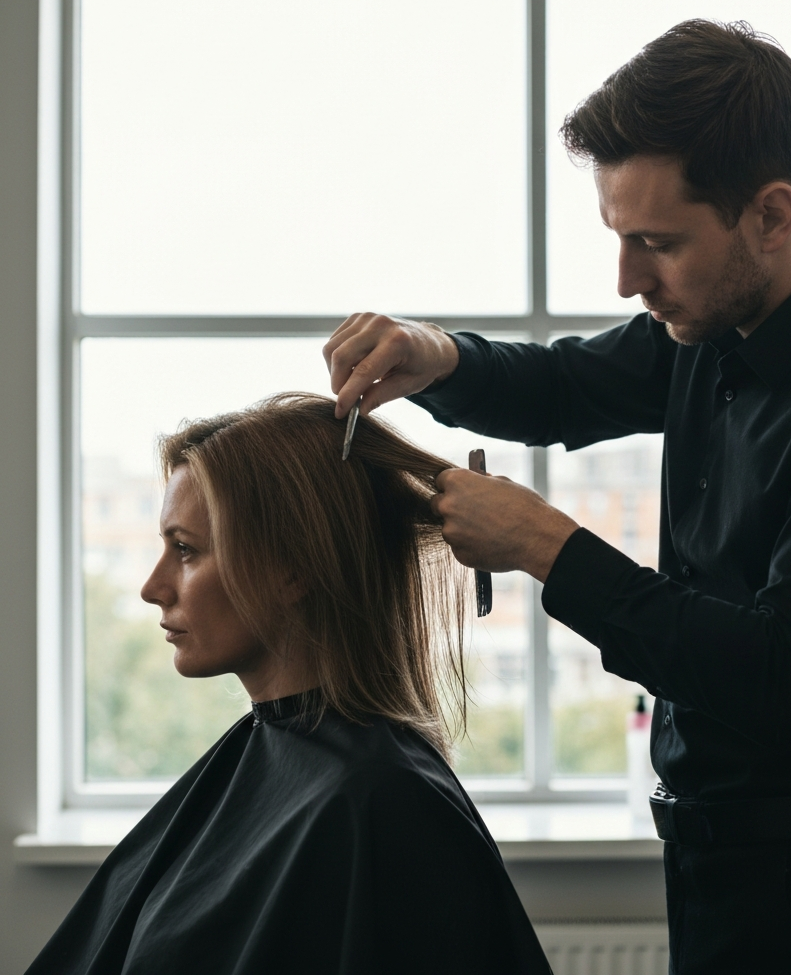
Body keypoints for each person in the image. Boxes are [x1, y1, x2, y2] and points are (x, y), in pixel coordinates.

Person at [322, 21, 791, 973]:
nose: (627, 280)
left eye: (657, 243)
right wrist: (434, 353)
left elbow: (785, 675)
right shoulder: (715, 323)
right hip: (715, 883)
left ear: (771, 212)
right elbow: (561, 388)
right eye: (618, 238)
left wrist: (549, 550)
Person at [28, 393, 552, 975]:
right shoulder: (274, 752)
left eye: (185, 550)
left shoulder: (381, 803)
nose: (153, 587)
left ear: (293, 569)